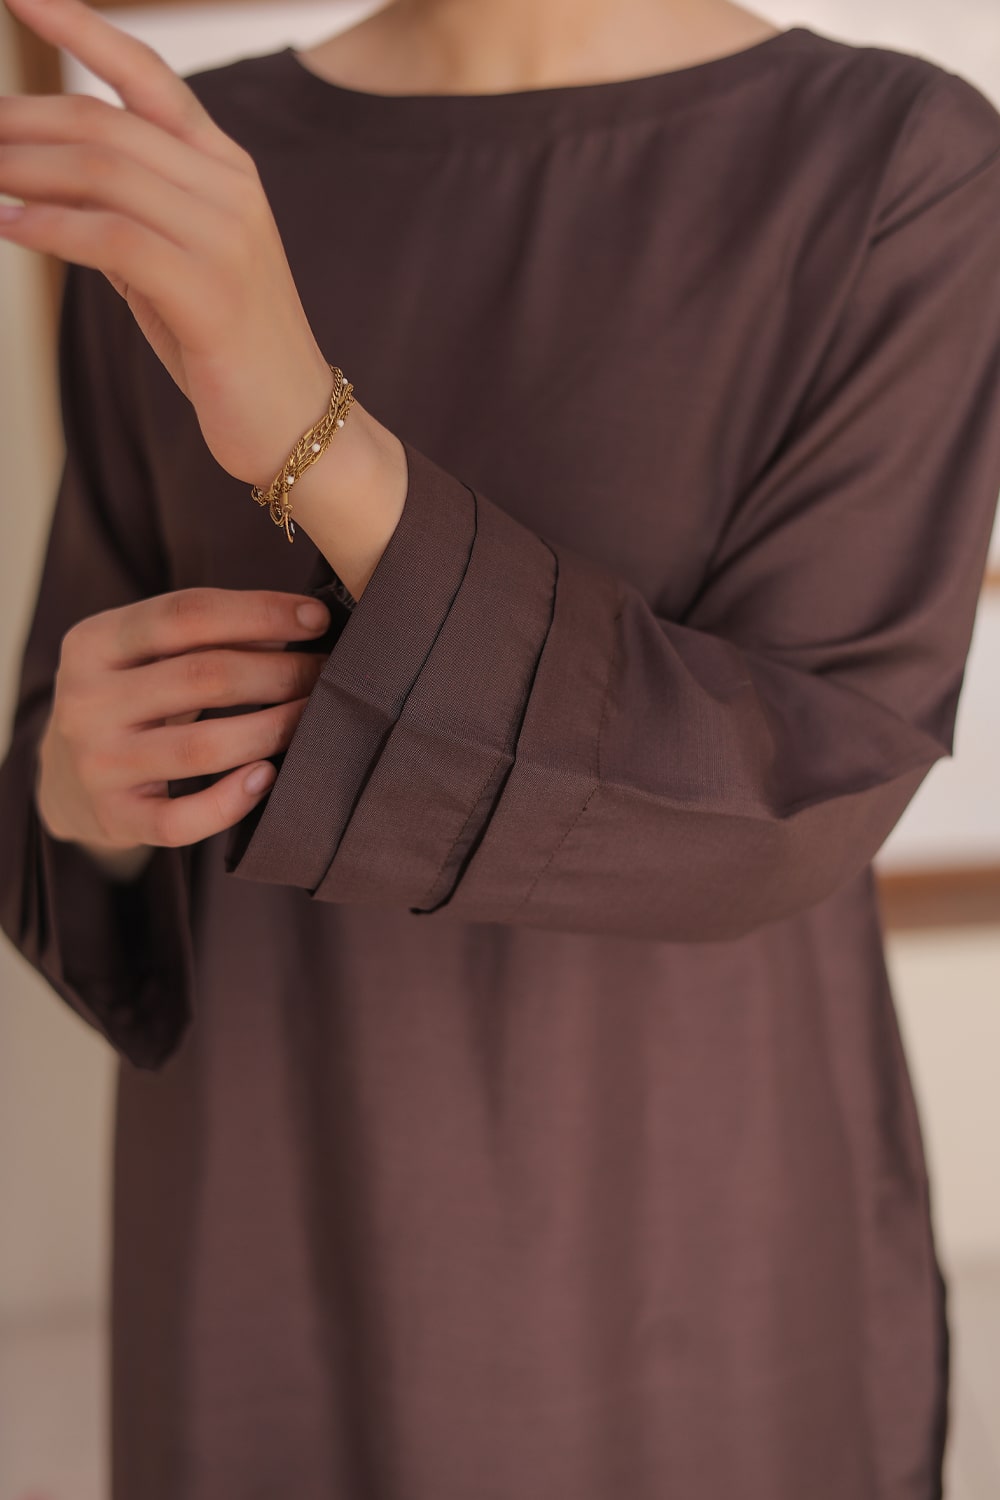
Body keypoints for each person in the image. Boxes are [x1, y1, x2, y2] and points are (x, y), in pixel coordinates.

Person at [1, 0, 999, 1494]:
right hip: (263, 1231)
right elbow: (75, 734)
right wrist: (79, 788)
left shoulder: (895, 164)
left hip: (697, 1242)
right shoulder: (193, 167)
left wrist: (308, 429)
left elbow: (791, 798)